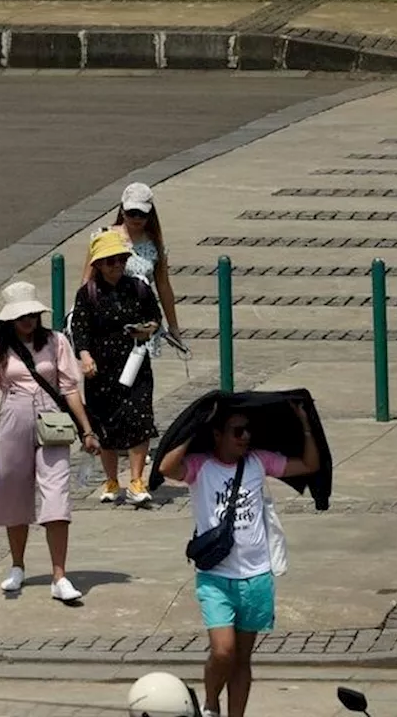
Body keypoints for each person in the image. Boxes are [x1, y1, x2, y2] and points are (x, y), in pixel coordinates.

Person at [158, 401, 319, 717]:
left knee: (242, 660)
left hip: (257, 575)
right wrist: (193, 429)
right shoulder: (200, 466)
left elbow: (310, 464)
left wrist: (305, 424)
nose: (245, 437)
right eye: (237, 431)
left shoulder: (260, 461)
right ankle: (210, 701)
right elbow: (166, 467)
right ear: (217, 435)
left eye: (248, 430)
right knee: (223, 652)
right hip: (216, 578)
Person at [0, 281, 100, 600]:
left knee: (56, 492)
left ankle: (60, 576)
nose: (28, 320)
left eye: (32, 314)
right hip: (13, 416)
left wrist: (86, 429)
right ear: (9, 320)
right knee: (12, 490)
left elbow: (70, 388)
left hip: (50, 418)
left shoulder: (55, 342)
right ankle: (17, 565)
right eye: (21, 316)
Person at [72, 231, 162, 506]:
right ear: (98, 264)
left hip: (135, 362)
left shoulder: (137, 287)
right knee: (105, 424)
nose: (116, 266)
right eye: (110, 261)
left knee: (139, 418)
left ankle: (136, 479)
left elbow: (154, 316)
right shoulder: (88, 294)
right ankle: (111, 479)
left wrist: (148, 329)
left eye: (120, 260)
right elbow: (80, 329)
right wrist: (85, 356)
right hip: (101, 368)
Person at [80, 182, 181, 355]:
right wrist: (82, 317)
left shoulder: (156, 245)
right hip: (107, 315)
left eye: (142, 214)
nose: (136, 218)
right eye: (131, 213)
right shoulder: (103, 236)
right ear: (121, 211)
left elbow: (163, 286)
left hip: (141, 318)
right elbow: (87, 280)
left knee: (139, 375)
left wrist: (173, 326)